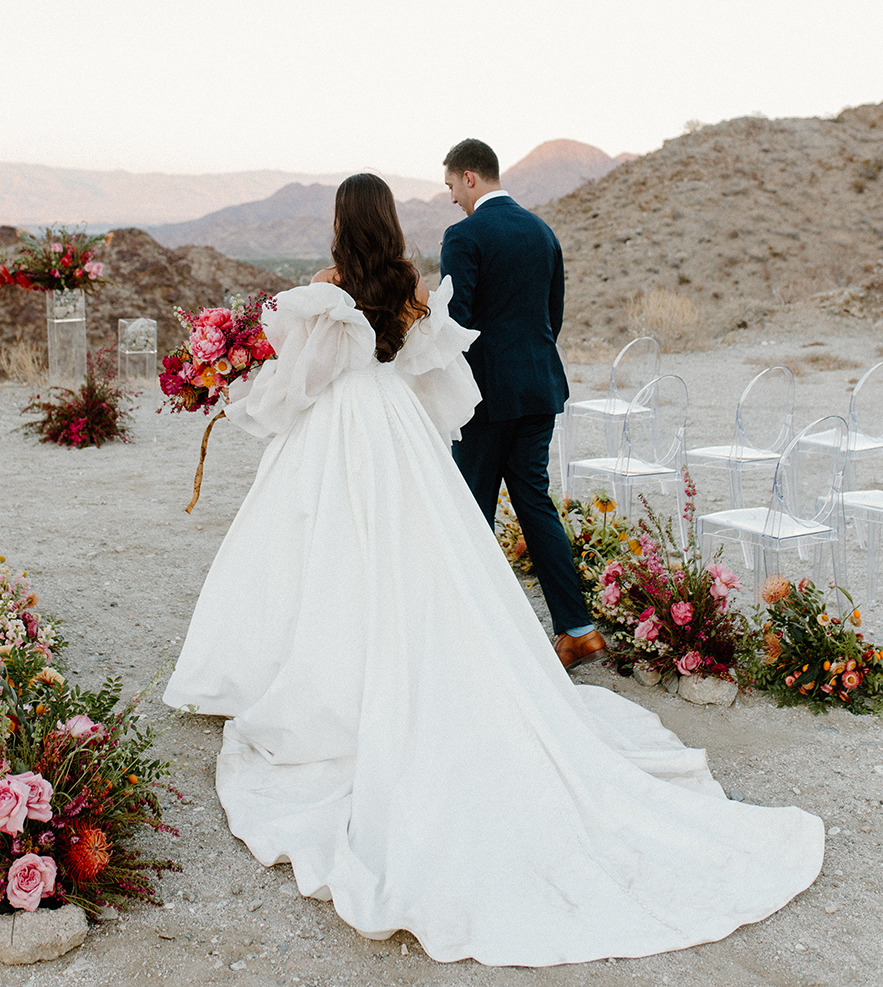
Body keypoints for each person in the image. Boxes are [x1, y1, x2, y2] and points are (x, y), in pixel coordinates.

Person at [163, 173, 823, 967]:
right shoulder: (408, 289)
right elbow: (438, 381)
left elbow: (300, 386)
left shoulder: (325, 291)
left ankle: (318, 680)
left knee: (321, 560)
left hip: (342, 434)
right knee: (420, 560)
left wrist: (241, 398)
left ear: (342, 224)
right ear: (390, 223)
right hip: (395, 435)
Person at [440, 139, 605, 671]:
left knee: (471, 512)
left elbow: (455, 323)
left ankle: (471, 635)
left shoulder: (464, 236)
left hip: (487, 397)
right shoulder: (542, 230)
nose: (451, 201)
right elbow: (551, 316)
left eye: (450, 188)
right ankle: (579, 630)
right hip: (539, 389)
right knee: (535, 504)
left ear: (469, 177)